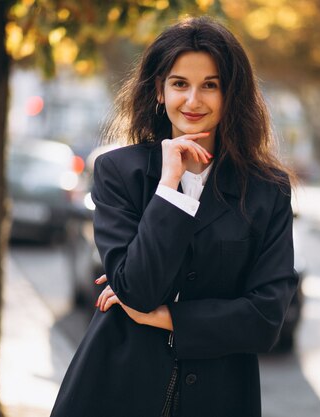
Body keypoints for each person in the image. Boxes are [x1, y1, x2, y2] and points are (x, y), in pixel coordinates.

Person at [50, 16, 298, 417]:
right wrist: (169, 187)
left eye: (210, 85)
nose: (193, 100)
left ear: (231, 94)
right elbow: (138, 288)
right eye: (180, 83)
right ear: (160, 92)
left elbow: (266, 317)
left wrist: (167, 318)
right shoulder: (119, 173)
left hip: (220, 397)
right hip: (114, 389)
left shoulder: (268, 191)